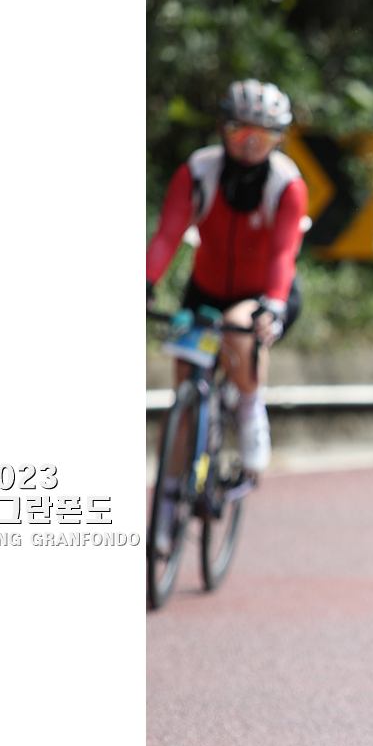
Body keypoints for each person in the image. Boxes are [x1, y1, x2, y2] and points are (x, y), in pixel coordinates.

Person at [146, 79, 308, 473]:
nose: (249, 144)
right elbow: (168, 235)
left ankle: (251, 409)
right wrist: (145, 282)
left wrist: (273, 304)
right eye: (240, 131)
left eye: (262, 135)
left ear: (279, 139)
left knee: (239, 329)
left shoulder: (287, 184)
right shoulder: (197, 171)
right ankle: (170, 497)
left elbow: (283, 252)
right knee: (184, 384)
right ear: (222, 129)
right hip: (204, 292)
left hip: (265, 294)